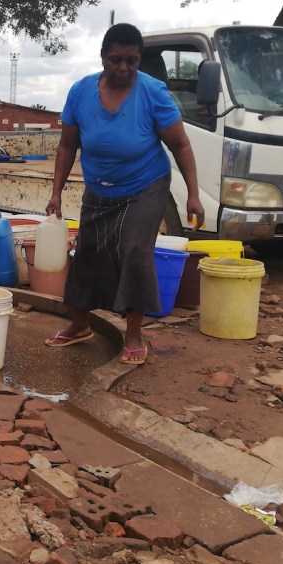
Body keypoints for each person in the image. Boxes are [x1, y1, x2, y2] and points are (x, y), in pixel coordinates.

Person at [45, 23, 203, 365]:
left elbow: (180, 144)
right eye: (116, 60)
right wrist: (56, 191)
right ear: (103, 56)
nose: (124, 68)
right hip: (99, 187)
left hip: (145, 184)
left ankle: (133, 333)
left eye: (132, 61)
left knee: (134, 251)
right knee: (88, 251)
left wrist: (193, 193)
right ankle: (80, 324)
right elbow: (67, 145)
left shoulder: (154, 93)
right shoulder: (80, 92)